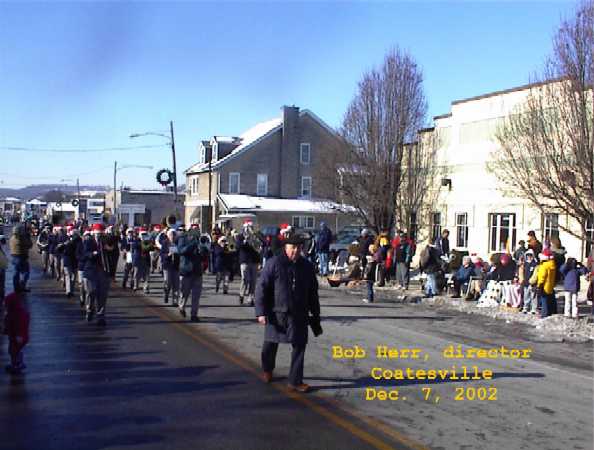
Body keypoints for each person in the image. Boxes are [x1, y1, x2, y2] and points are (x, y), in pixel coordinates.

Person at [255, 234, 322, 393]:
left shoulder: (306, 266)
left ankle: (295, 380)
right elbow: (261, 288)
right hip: (276, 312)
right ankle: (267, 370)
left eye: (299, 248)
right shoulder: (274, 263)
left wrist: (316, 314)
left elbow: (313, 292)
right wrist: (260, 312)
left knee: (299, 346)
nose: (296, 251)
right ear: (286, 247)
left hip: (299, 313)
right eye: (293, 248)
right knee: (270, 344)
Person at [80, 223, 114, 326]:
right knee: (91, 292)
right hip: (91, 271)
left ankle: (101, 316)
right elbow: (83, 254)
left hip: (103, 271)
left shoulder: (106, 240)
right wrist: (92, 254)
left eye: (100, 234)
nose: (99, 236)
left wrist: (109, 246)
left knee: (102, 295)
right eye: (97, 234)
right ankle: (90, 309)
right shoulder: (88, 241)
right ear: (93, 233)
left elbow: (113, 248)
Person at [177, 224, 208, 321]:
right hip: (186, 270)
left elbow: (205, 256)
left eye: (197, 229)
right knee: (184, 293)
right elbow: (181, 251)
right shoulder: (183, 238)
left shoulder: (201, 239)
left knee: (196, 295)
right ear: (190, 230)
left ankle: (194, 314)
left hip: (197, 271)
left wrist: (203, 249)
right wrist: (193, 244)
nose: (196, 231)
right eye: (194, 229)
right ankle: (181, 306)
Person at [3, 292, 30, 374]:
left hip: (19, 336)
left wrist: (19, 335)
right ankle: (15, 364)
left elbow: (20, 326)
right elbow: (9, 323)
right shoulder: (12, 313)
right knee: (12, 350)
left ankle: (18, 364)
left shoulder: (19, 314)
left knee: (14, 351)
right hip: (14, 335)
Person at [238, 222, 261, 306]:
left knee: (253, 280)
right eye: (248, 227)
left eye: (251, 227)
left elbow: (261, 246)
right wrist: (245, 240)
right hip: (244, 261)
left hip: (254, 261)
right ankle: (241, 294)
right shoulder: (240, 236)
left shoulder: (256, 236)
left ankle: (251, 298)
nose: (249, 229)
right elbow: (239, 246)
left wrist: (255, 237)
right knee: (245, 279)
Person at [9, 224, 32, 292]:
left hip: (14, 256)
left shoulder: (12, 238)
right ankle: (21, 285)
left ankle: (16, 287)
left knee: (16, 273)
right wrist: (28, 237)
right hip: (21, 257)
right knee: (26, 272)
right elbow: (29, 245)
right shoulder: (20, 238)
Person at [160, 229, 180, 305]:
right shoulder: (165, 243)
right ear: (168, 236)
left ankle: (175, 301)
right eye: (171, 235)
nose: (172, 236)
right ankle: (166, 293)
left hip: (176, 266)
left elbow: (181, 252)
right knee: (168, 283)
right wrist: (167, 255)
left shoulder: (178, 243)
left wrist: (178, 253)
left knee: (176, 284)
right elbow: (161, 254)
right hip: (167, 266)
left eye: (174, 235)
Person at [536, 248, 557, 318]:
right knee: (548, 299)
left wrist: (540, 285)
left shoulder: (544, 265)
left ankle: (544, 314)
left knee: (544, 299)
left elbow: (542, 276)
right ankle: (549, 311)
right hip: (550, 285)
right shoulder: (552, 264)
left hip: (544, 285)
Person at [62, 226, 81, 298]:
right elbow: (61, 249)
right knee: (68, 276)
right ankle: (69, 291)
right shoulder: (65, 239)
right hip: (67, 260)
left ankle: (71, 290)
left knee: (73, 277)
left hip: (74, 261)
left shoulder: (79, 241)